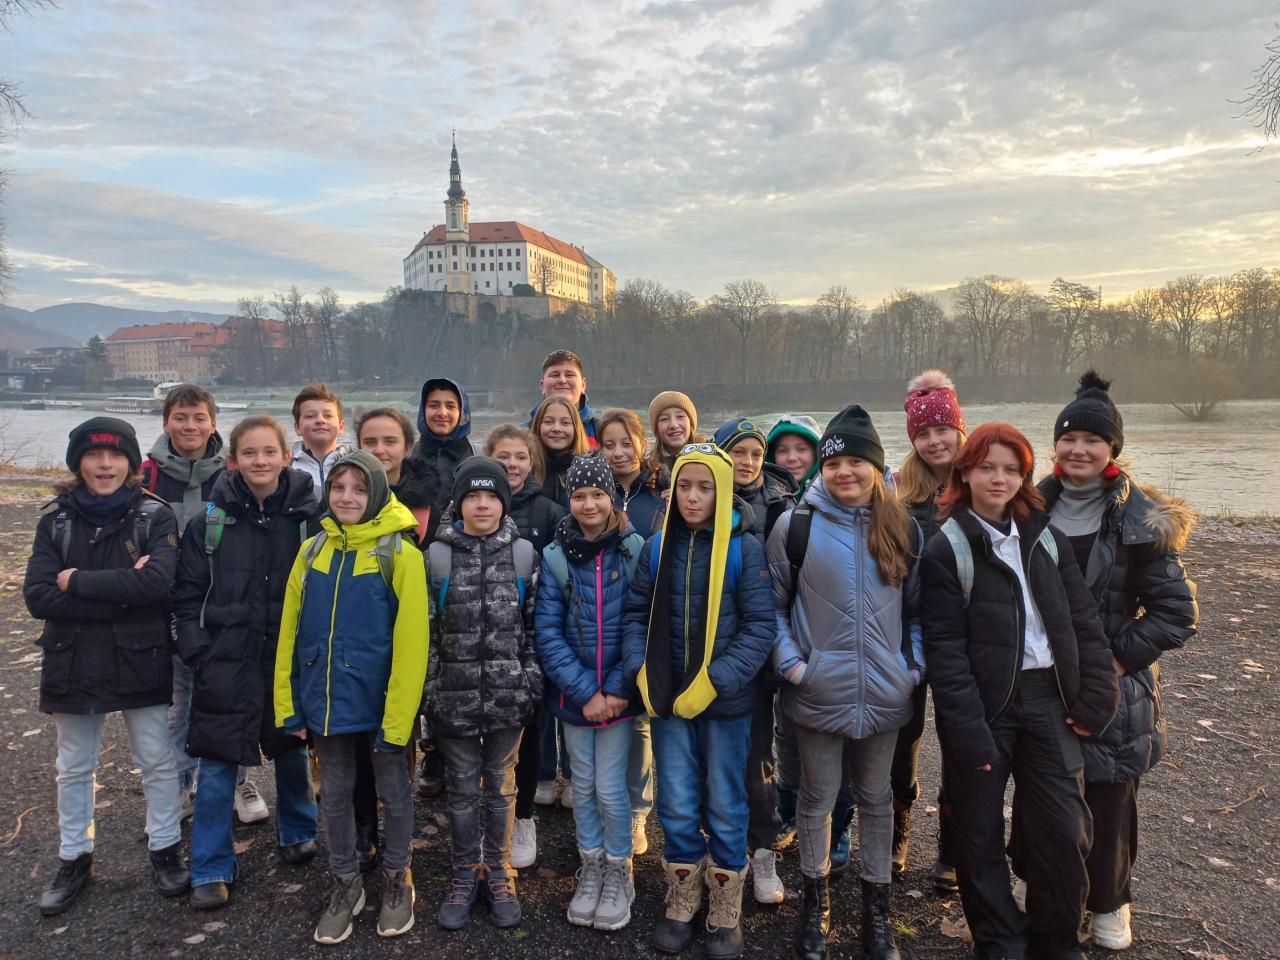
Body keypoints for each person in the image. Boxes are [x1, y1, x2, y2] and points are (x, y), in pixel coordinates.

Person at [920, 422, 1120, 960]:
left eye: (1012, 469)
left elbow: (1082, 620)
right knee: (977, 834)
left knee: (1065, 830)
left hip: (1050, 701)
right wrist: (968, 731)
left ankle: (1055, 942)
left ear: (1025, 477)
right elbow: (946, 653)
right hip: (985, 709)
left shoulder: (1046, 538)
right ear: (965, 472)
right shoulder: (947, 549)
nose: (999, 479)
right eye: (987, 467)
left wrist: (1097, 693)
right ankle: (1000, 942)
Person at [1022, 371, 1197, 951]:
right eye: (1069, 438)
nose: (1078, 449)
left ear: (1112, 449)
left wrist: (1114, 664)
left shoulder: (1138, 519)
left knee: (1109, 799)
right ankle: (1045, 887)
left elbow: (1176, 613)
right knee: (1044, 792)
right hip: (1043, 680)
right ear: (1055, 444)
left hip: (1115, 687)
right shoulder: (1029, 507)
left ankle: (1108, 902)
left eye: (1092, 440)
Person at [767, 405, 922, 960]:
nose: (845, 472)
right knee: (817, 798)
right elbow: (773, 609)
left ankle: (877, 913)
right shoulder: (796, 526)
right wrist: (795, 667)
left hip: (886, 691)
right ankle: (816, 906)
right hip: (816, 690)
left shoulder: (902, 526)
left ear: (875, 467)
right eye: (834, 463)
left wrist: (910, 669)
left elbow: (919, 613)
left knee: (877, 798)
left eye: (857, 462)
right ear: (822, 468)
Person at [25, 417, 187, 915]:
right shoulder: (55, 521)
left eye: (115, 455)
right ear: (78, 462)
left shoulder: (153, 517)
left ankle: (165, 847)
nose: (104, 465)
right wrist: (121, 592)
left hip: (141, 653)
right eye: (94, 455)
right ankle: (74, 856)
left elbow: (156, 585)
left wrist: (75, 581)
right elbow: (38, 596)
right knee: (74, 764)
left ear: (130, 463)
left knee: (156, 757)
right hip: (72, 656)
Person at [622, 442, 774, 959]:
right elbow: (635, 614)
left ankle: (726, 901)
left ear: (722, 490)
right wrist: (639, 670)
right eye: (684, 486)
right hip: (668, 701)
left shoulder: (743, 549)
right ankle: (683, 891)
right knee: (677, 800)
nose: (692, 497)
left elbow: (759, 627)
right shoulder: (656, 547)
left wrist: (717, 680)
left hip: (725, 704)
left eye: (704, 488)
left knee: (727, 802)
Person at [273, 451, 428, 945]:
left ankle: (397, 879)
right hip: (324, 701)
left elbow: (412, 645)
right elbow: (290, 634)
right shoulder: (312, 551)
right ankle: (345, 881)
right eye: (338, 488)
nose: (347, 498)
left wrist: (398, 719)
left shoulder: (399, 554)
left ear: (377, 493)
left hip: (381, 704)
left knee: (394, 793)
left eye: (359, 489)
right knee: (335, 794)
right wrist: (289, 706)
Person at [173, 416, 320, 910]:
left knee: (291, 746)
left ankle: (298, 829)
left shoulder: (308, 519)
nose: (261, 461)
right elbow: (187, 594)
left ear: (285, 456)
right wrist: (197, 651)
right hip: (225, 658)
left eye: (269, 452)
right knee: (217, 760)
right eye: (250, 453)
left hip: (286, 655)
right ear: (234, 460)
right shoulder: (210, 523)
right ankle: (211, 865)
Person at [426, 459, 542, 931]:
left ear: (503, 503)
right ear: (458, 503)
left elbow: (534, 628)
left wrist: (529, 680)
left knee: (500, 786)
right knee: (460, 789)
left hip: (508, 695)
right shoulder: (437, 556)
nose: (482, 505)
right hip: (451, 697)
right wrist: (431, 689)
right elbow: (427, 631)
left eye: (491, 496)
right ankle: (463, 871)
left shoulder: (523, 555)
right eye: (472, 496)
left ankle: (497, 868)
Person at [535, 454, 646, 931]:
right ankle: (592, 864)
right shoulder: (555, 557)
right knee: (582, 783)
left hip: (620, 696)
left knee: (611, 786)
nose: (589, 504)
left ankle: (620, 868)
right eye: (579, 495)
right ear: (569, 500)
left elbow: (641, 623)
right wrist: (585, 692)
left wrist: (618, 688)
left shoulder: (634, 550)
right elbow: (548, 633)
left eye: (598, 494)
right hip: (576, 698)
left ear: (612, 497)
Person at [138, 383, 251, 823]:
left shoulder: (233, 473)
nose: (190, 426)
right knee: (176, 707)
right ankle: (180, 787)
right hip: (165, 608)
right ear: (166, 422)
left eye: (199, 417)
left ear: (213, 422)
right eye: (180, 417)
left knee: (230, 699)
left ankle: (236, 782)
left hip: (224, 605)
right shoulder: (145, 476)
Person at [712, 417, 796, 907]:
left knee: (758, 759)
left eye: (756, 454)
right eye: (737, 452)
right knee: (712, 761)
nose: (747, 462)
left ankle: (763, 850)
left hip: (762, 653)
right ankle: (719, 849)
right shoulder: (697, 500)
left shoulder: (783, 507)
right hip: (711, 652)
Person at [891, 370, 968, 890]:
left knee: (960, 737)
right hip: (912, 630)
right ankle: (898, 828)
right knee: (904, 734)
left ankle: (952, 844)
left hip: (968, 636)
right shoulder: (901, 490)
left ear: (960, 428)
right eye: (924, 433)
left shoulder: (983, 479)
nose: (936, 441)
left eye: (943, 429)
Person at [484, 424, 565, 869]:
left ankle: (524, 817)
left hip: (529, 643)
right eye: (503, 456)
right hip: (480, 644)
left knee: (530, 734)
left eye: (519, 456)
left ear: (532, 462)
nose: (511, 465)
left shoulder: (549, 512)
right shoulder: (470, 507)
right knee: (486, 741)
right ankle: (489, 817)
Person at [358, 406, 437, 547]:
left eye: (390, 441)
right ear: (359, 448)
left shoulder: (427, 500)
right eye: (370, 442)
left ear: (407, 448)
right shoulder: (341, 494)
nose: (379, 450)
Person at [408, 376, 474, 541]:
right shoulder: (407, 456)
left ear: (462, 413)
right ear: (423, 410)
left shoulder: (479, 456)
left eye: (450, 406)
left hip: (465, 548)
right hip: (416, 547)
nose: (442, 413)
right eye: (434, 405)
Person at [598, 407, 666, 537]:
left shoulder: (663, 491)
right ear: (600, 448)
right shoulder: (592, 492)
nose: (618, 453)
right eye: (609, 446)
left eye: (627, 444)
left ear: (643, 445)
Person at [526, 348, 602, 446]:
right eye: (555, 375)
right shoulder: (523, 434)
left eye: (569, 375)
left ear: (583, 385)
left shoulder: (602, 430)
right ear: (542, 385)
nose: (562, 380)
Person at [290, 382, 352, 499]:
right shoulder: (286, 469)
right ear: (297, 427)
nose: (320, 420)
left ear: (341, 426)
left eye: (328, 416)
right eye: (310, 416)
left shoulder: (356, 465)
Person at [532, 395, 591, 507]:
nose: (557, 429)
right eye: (548, 422)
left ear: (576, 428)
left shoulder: (591, 469)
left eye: (565, 423)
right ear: (538, 426)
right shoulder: (526, 470)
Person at [644, 391, 701, 486]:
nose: (674, 425)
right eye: (664, 419)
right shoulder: (646, 468)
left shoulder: (711, 459)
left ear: (690, 422)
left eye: (680, 416)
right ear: (656, 428)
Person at [765, 415, 822, 499]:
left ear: (816, 453)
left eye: (801, 449)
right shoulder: (755, 496)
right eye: (783, 450)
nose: (792, 458)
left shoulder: (835, 493)